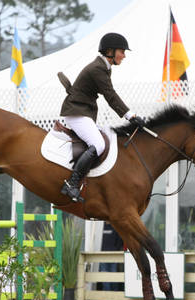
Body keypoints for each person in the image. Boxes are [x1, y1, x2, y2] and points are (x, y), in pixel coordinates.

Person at [59, 32, 145, 202]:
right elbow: (110, 95)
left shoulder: (104, 67)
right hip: (76, 112)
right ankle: (72, 184)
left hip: (83, 112)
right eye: (122, 51)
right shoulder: (98, 68)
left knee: (107, 136)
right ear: (110, 51)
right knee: (98, 144)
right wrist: (131, 116)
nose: (124, 56)